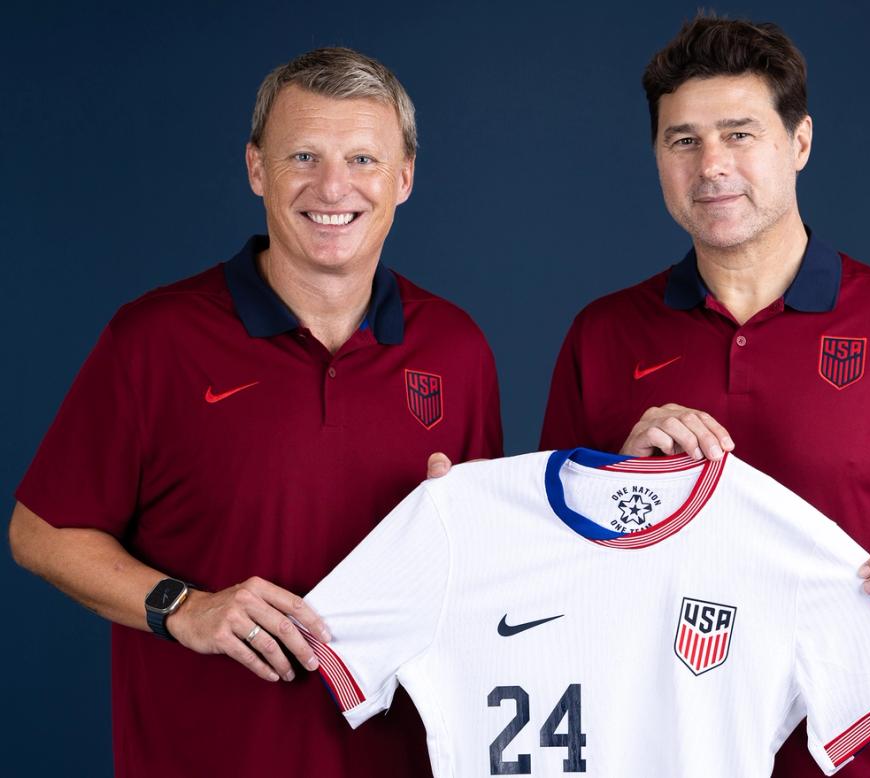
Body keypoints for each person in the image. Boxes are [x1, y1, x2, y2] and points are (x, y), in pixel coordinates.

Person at [534, 15, 870, 778]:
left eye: (740, 133)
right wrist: (616, 485)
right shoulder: (602, 333)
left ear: (799, 142)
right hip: (655, 752)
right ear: (657, 157)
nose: (712, 166)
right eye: (683, 141)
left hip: (868, 759)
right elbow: (549, 566)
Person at [8, 47, 501, 777]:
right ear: (256, 169)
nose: (334, 186)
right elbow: (39, 533)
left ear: (403, 179)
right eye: (304, 155)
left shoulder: (456, 348)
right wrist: (183, 607)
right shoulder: (156, 338)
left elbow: (484, 586)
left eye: (363, 159)